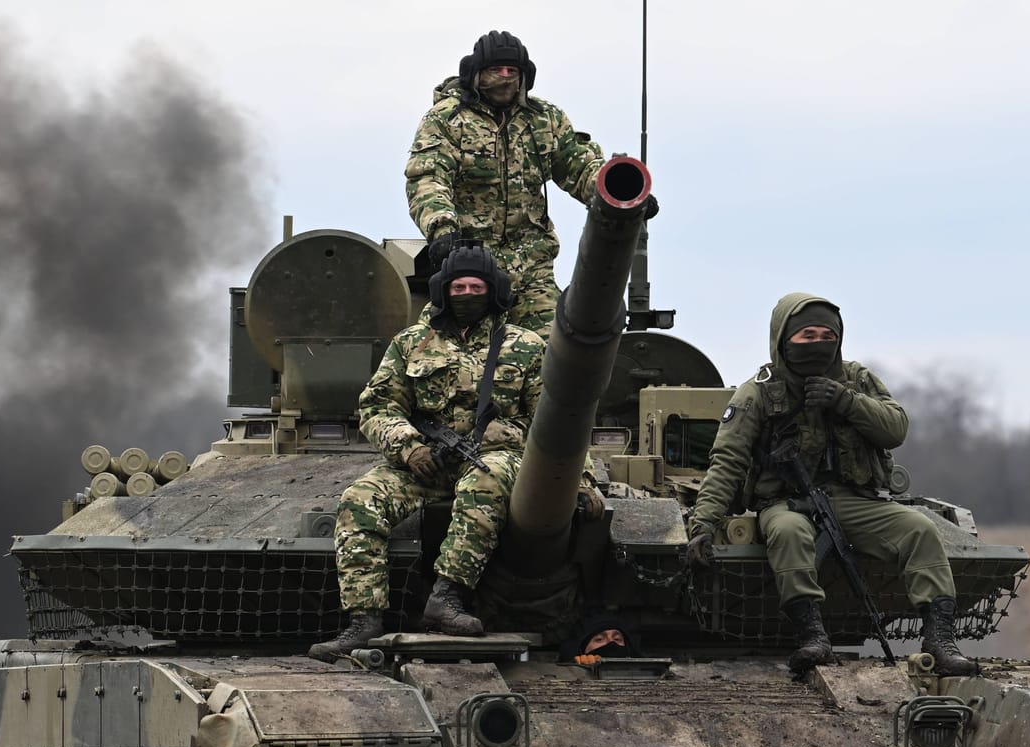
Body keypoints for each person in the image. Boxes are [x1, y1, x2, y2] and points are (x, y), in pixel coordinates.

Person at [312, 245, 591, 660]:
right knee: (360, 499)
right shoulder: (411, 344)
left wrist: (580, 480)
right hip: (426, 463)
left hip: (498, 459)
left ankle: (447, 597)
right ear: (443, 291)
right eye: (458, 286)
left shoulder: (527, 347)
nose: (466, 294)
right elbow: (378, 405)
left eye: (476, 286)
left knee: (487, 480)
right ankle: (364, 620)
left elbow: (557, 421)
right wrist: (407, 447)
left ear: (493, 291)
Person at [682, 293, 976, 676]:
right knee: (788, 534)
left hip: (855, 500)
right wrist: (703, 524)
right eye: (806, 335)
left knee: (919, 529)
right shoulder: (757, 392)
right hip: (786, 502)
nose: (818, 343)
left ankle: (940, 640)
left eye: (826, 334)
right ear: (784, 339)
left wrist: (845, 401)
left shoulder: (857, 380)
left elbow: (895, 429)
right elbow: (728, 462)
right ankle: (813, 636)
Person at [406, 31, 654, 334]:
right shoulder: (448, 119)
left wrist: (621, 195)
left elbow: (577, 166)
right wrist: (442, 229)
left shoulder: (543, 120)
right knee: (443, 350)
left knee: (557, 350)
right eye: (497, 70)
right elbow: (428, 177)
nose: (506, 78)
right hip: (468, 266)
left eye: (513, 72)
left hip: (532, 265)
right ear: (477, 74)